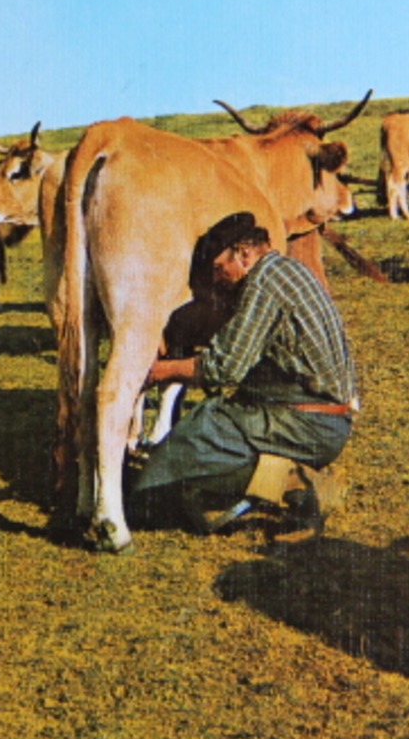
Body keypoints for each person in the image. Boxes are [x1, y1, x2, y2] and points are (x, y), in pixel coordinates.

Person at [133, 211, 360, 536]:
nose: (217, 278)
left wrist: (159, 371)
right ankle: (273, 479)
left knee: (193, 439)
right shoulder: (288, 270)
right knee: (213, 426)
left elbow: (221, 368)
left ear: (244, 253)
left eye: (218, 268)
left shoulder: (263, 283)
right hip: (326, 416)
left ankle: (294, 483)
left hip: (308, 423)